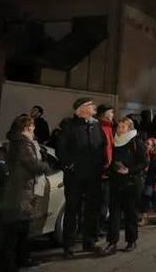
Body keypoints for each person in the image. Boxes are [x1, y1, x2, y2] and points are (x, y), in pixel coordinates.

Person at [58, 97, 107, 257]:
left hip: (93, 175)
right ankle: (69, 246)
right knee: (72, 209)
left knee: (92, 209)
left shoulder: (96, 125)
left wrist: (102, 163)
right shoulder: (70, 126)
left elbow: (103, 145)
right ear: (81, 109)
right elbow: (61, 149)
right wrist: (70, 165)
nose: (94, 106)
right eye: (90, 105)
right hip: (75, 177)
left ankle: (89, 242)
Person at [3, 115, 52, 272]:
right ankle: (13, 263)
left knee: (22, 228)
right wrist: (45, 166)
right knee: (17, 229)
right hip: (21, 191)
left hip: (21, 189)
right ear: (26, 128)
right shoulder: (22, 144)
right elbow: (33, 165)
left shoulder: (18, 142)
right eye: (32, 125)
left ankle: (22, 259)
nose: (34, 128)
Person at [101, 117, 148, 255]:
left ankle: (131, 241)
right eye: (119, 126)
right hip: (116, 182)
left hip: (131, 182)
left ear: (129, 128)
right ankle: (112, 242)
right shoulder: (114, 142)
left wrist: (129, 170)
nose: (119, 129)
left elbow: (144, 162)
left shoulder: (136, 142)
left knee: (130, 213)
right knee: (114, 214)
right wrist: (110, 170)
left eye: (123, 127)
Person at [97, 104, 116, 235]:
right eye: (111, 112)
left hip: (108, 172)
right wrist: (107, 164)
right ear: (104, 114)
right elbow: (105, 150)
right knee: (102, 203)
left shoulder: (109, 127)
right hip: (102, 173)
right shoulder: (101, 128)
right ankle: (98, 228)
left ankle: (101, 226)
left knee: (105, 202)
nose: (113, 115)